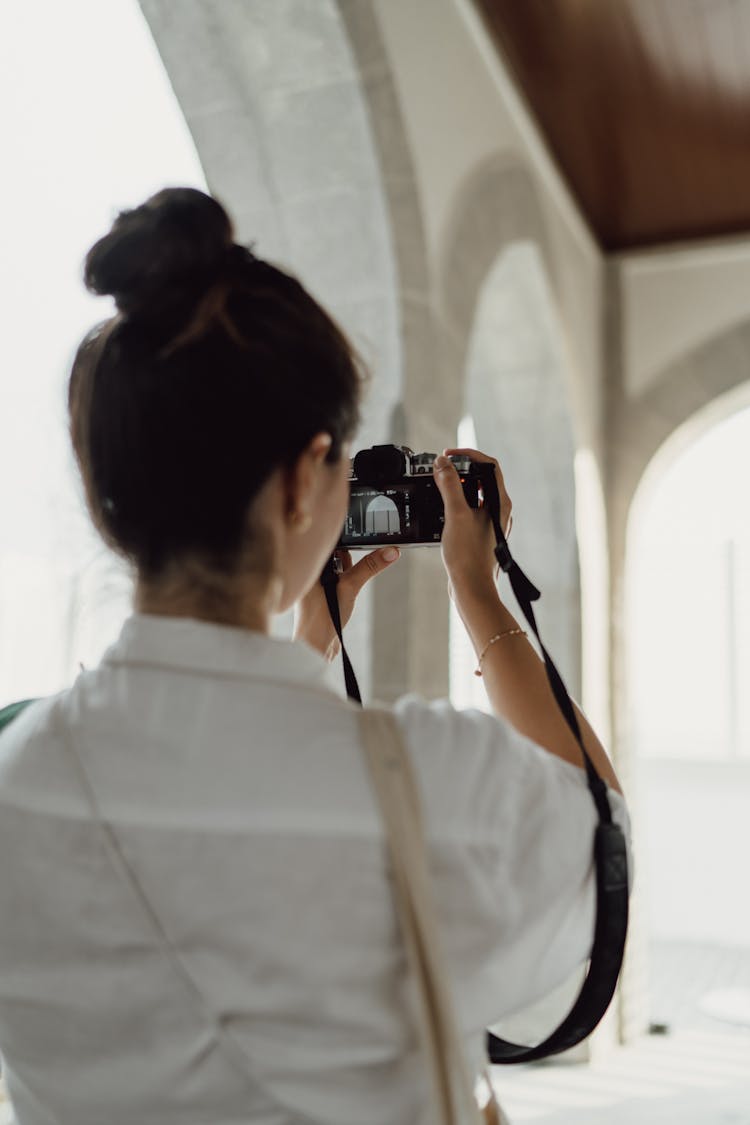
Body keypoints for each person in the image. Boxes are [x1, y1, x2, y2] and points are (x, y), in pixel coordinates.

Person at [0, 187, 629, 1125]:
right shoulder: (434, 783)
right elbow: (600, 836)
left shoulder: (18, 771)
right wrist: (478, 590)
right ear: (304, 482)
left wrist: (308, 637)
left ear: (105, 494)